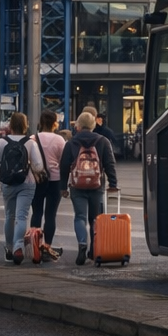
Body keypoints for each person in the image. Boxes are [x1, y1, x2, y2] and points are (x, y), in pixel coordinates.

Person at [61, 111, 118, 266]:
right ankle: (94, 250)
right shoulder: (103, 141)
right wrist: (113, 183)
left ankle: (82, 244)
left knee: (80, 216)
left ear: (78, 126)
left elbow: (64, 166)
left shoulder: (71, 143)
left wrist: (62, 187)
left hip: (77, 186)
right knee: (96, 218)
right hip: (97, 185)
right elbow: (110, 164)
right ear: (93, 125)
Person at [0, 112, 47, 264]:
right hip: (27, 183)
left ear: (10, 125)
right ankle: (18, 247)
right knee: (22, 216)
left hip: (8, 183)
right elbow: (39, 166)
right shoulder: (30, 142)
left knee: (10, 216)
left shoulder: (2, 142)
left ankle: (9, 248)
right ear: (25, 125)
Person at [30, 110, 68, 260]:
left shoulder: (32, 138)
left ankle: (35, 247)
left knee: (37, 213)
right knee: (50, 215)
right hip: (55, 181)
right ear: (54, 123)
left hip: (38, 180)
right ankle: (47, 246)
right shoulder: (59, 140)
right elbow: (63, 161)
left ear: (40, 122)